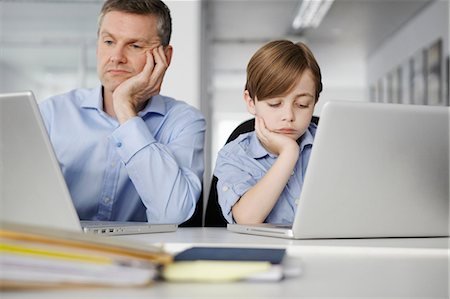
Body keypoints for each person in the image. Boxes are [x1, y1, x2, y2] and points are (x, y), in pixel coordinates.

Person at [39, 0, 205, 224]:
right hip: (62, 250)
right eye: (108, 41)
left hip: (143, 254)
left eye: (135, 46)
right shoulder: (51, 114)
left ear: (165, 57)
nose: (116, 56)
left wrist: (125, 109)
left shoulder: (184, 122)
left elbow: (171, 214)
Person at [213, 40, 322, 224]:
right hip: (264, 253)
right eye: (274, 104)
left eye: (302, 105)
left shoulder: (330, 144)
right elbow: (247, 219)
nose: (288, 116)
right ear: (250, 102)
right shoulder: (234, 156)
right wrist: (289, 153)